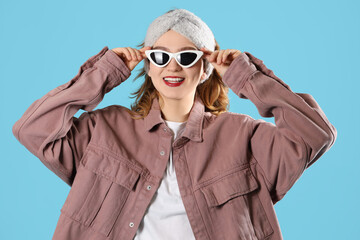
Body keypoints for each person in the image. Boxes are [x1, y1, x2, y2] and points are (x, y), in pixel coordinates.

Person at [12, 8, 337, 240]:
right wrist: (104, 72)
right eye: (160, 56)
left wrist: (247, 78)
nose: (172, 66)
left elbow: (314, 134)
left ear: (206, 68)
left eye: (187, 57)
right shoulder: (104, 129)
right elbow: (32, 129)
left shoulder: (242, 136)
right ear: (149, 66)